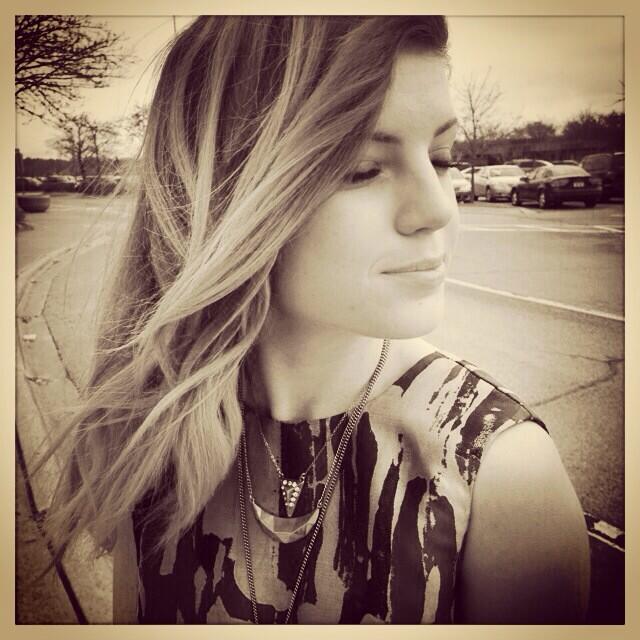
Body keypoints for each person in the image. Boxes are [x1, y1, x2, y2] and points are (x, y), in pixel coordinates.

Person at [44, 16, 590, 624]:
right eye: (362, 168)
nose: (437, 209)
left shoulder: (499, 472)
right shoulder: (157, 433)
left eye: (440, 158)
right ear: (223, 194)